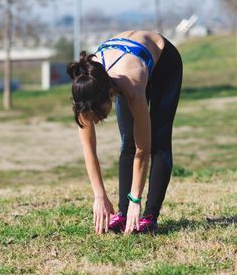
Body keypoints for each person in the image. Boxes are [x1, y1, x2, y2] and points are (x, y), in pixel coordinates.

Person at [66, 30, 182, 235]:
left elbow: (142, 149)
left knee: (157, 141)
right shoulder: (85, 90)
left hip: (164, 61)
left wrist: (136, 199)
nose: (96, 121)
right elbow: (88, 149)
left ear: (109, 95)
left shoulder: (131, 84)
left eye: (99, 116)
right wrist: (99, 195)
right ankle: (123, 212)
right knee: (127, 141)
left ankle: (149, 216)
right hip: (125, 56)